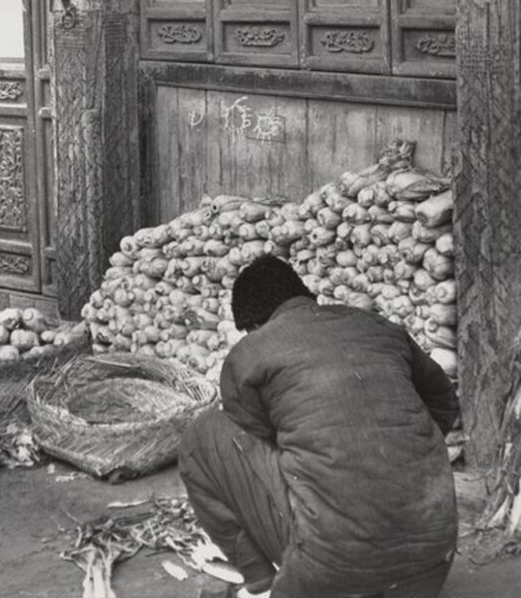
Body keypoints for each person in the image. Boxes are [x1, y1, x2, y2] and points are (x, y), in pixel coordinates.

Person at [180, 254, 459, 598]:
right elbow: (445, 404)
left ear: (253, 322)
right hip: (431, 564)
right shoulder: (378, 327)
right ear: (303, 295)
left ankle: (260, 586)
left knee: (202, 435)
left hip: (331, 574)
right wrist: (398, 458)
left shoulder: (251, 352)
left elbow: (255, 439)